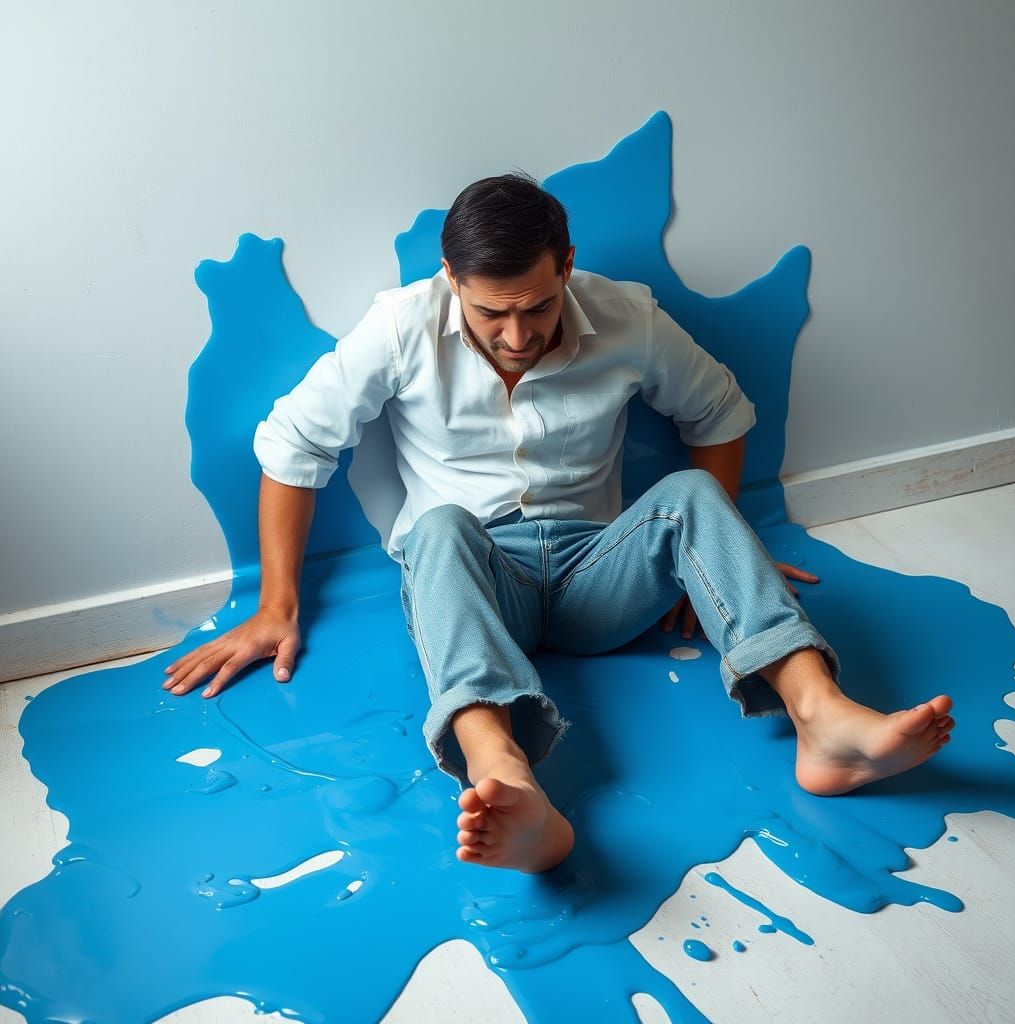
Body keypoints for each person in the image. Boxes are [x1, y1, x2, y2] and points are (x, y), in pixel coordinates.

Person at [162, 173, 955, 874]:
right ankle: (507, 780)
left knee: (691, 494)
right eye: (489, 313)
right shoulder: (402, 326)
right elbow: (294, 441)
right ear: (451, 279)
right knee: (434, 527)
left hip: (596, 578)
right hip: (475, 586)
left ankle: (822, 722)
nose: (515, 336)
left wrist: (719, 564)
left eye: (536, 308)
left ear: (566, 267)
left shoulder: (627, 318)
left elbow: (719, 413)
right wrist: (276, 606)